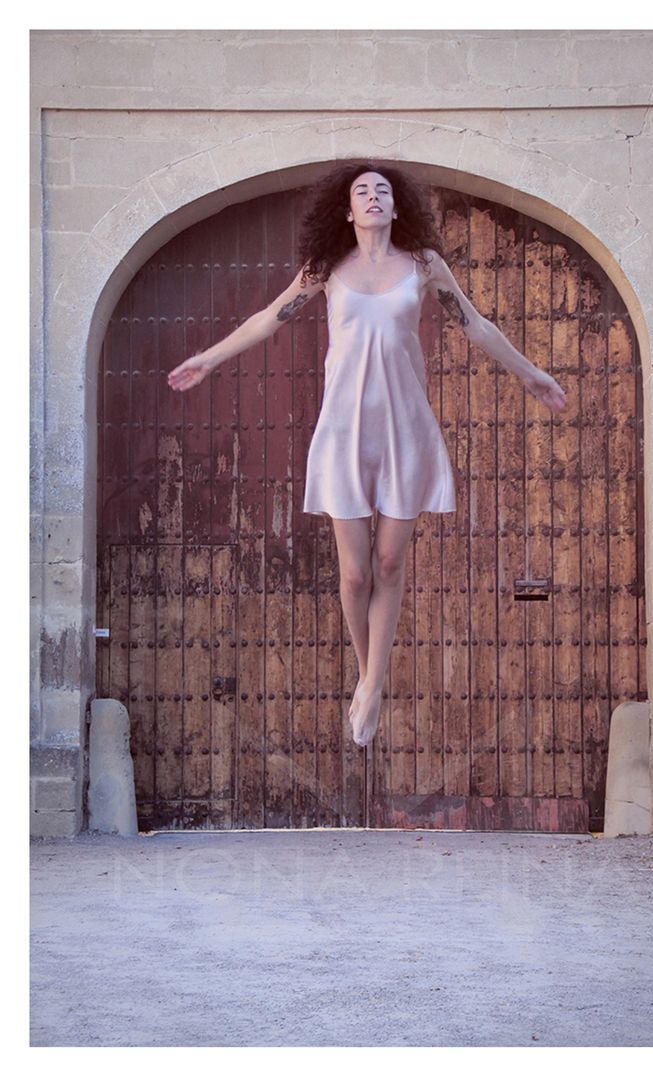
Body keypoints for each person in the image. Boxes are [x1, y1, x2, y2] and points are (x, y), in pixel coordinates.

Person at [167, 160, 567, 749]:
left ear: (397, 207)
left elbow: (475, 324)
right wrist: (209, 357)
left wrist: (529, 374)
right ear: (348, 211)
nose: (374, 197)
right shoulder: (326, 269)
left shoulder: (425, 267)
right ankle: (367, 672)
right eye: (363, 192)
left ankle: (373, 684)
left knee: (387, 566)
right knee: (353, 575)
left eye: (383, 190)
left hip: (405, 429)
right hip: (344, 430)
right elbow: (267, 320)